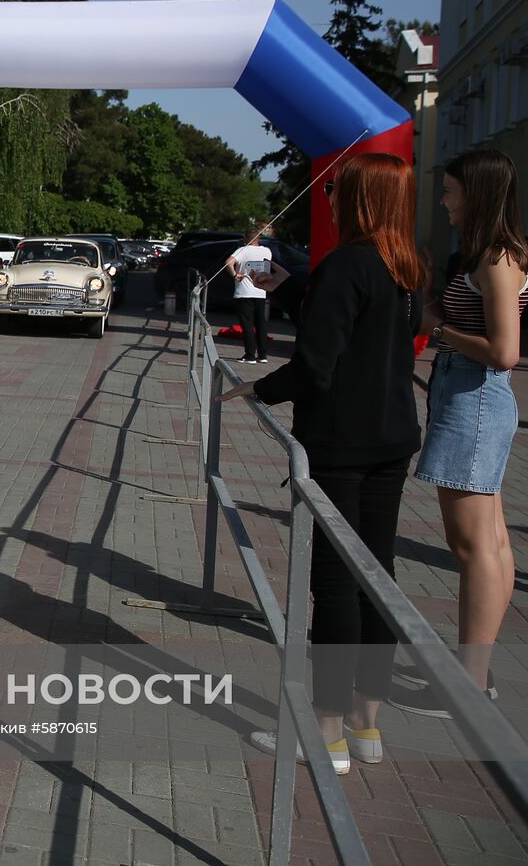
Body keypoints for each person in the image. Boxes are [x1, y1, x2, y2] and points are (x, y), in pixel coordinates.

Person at [218, 153, 426, 774]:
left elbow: (316, 365)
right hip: (391, 438)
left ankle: (326, 733)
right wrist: (301, 292)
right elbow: (366, 338)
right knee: (377, 575)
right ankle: (366, 727)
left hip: (341, 441)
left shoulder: (347, 265)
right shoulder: (407, 266)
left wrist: (258, 389)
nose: (330, 199)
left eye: (339, 189)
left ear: (361, 199)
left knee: (335, 583)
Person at [391, 149, 528, 718]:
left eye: (450, 191)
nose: (444, 201)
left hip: (474, 397)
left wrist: (440, 329)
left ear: (478, 193)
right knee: (490, 542)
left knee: (474, 546)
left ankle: (468, 683)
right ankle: (474, 675)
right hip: (467, 395)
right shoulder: (486, 253)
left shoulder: (496, 259)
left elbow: (504, 352)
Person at [225, 222, 273, 364]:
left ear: (245, 238)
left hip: (244, 292)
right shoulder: (267, 251)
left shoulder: (242, 250)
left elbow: (228, 262)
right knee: (261, 324)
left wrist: (235, 275)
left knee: (247, 325)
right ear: (259, 238)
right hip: (260, 292)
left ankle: (250, 355)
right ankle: (263, 355)